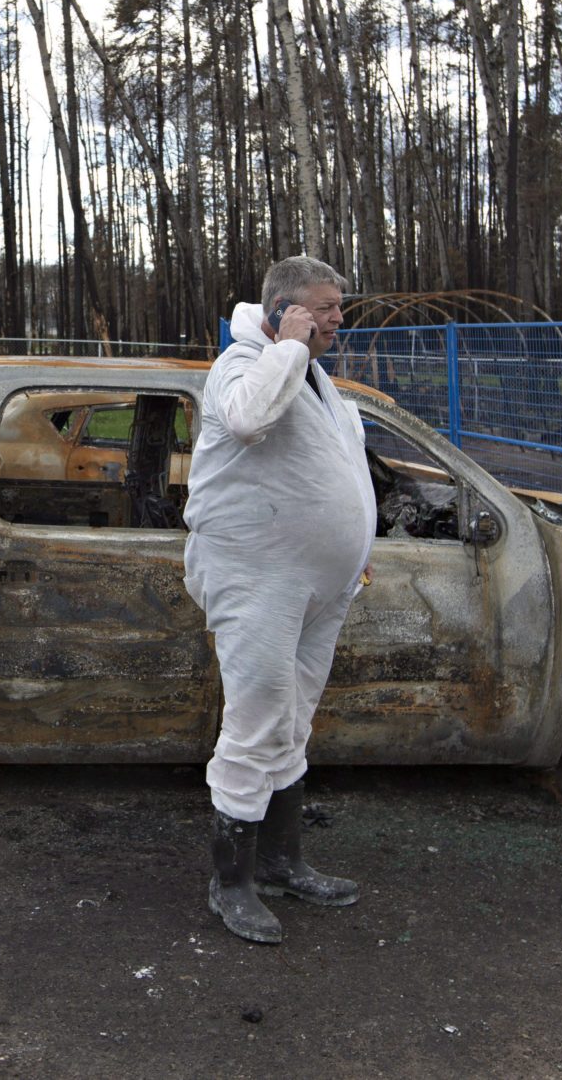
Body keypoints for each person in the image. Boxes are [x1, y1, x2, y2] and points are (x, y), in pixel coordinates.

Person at [182, 255, 375, 944]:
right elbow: (246, 419)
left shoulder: (312, 373)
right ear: (285, 308)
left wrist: (355, 548)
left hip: (319, 587)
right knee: (258, 720)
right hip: (257, 580)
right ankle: (231, 881)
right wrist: (288, 342)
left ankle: (284, 860)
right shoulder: (243, 363)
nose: (337, 319)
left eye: (337, 307)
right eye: (325, 307)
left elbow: (337, 467)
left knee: (292, 722)